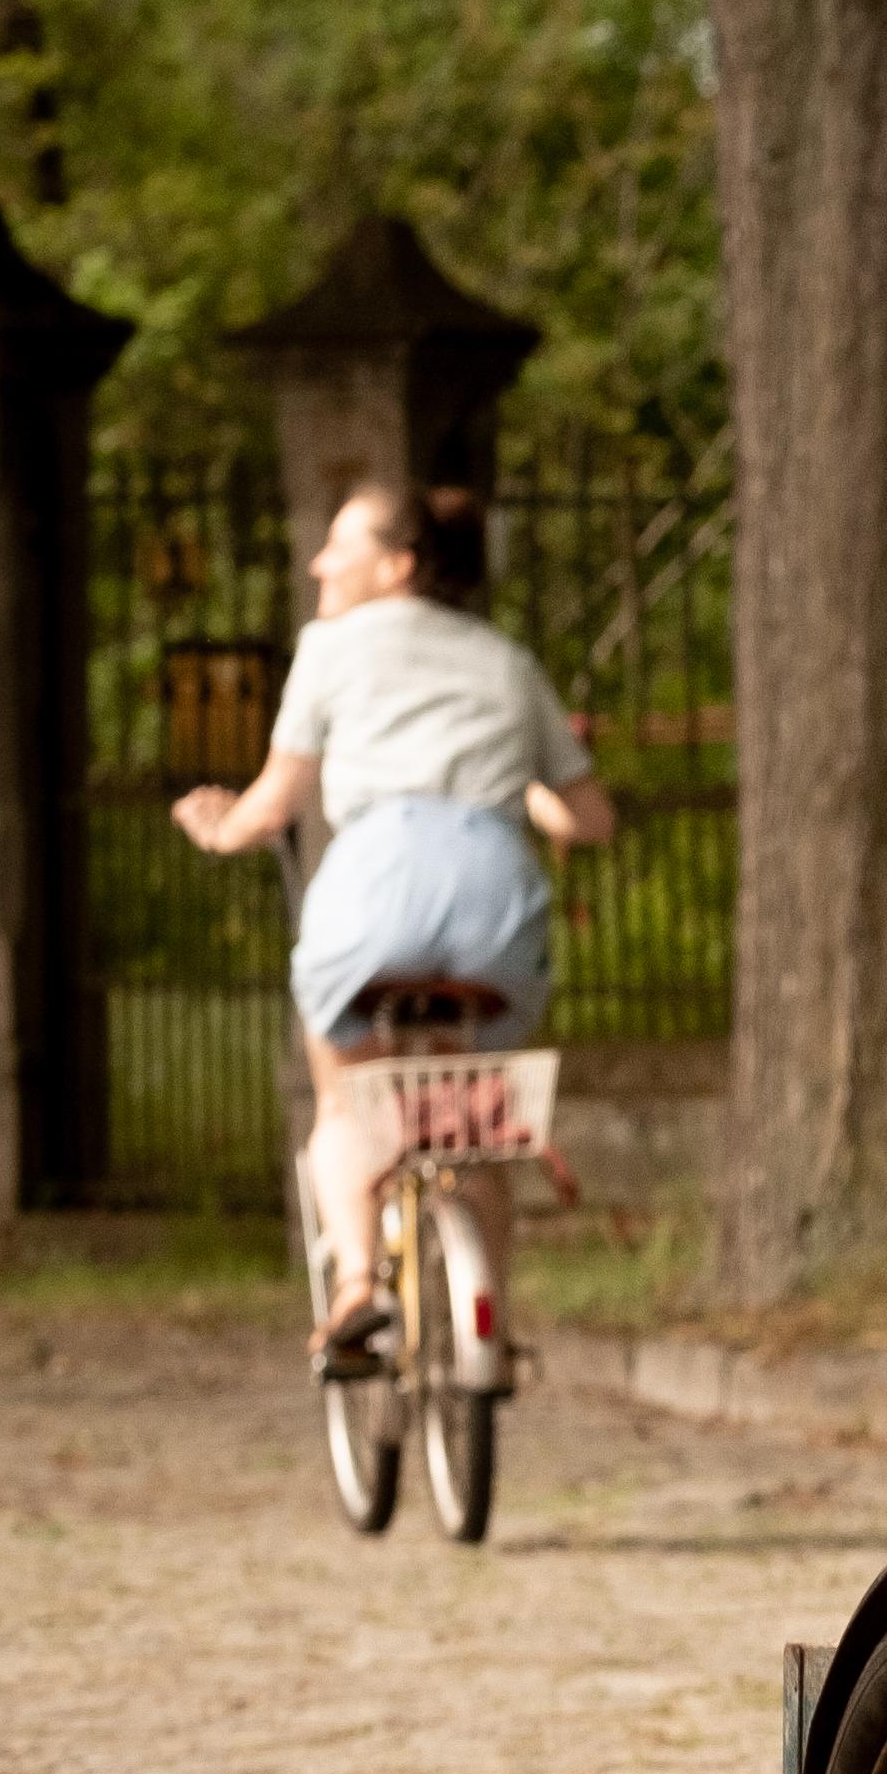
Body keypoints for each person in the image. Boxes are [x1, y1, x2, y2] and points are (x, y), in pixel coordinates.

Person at [169, 483, 620, 1357]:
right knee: (471, 1121)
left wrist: (218, 828)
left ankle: (355, 1288)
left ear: (398, 564)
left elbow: (271, 806)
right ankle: (490, 1328)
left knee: (343, 1100)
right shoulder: (506, 661)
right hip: (495, 899)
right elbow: (588, 817)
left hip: (374, 895)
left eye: (340, 543)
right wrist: (517, 790)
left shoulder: (330, 648)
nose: (319, 562)